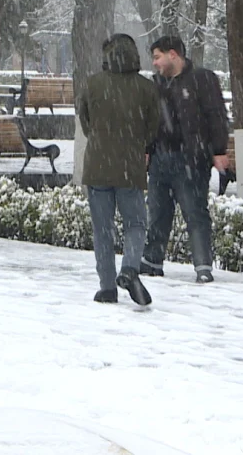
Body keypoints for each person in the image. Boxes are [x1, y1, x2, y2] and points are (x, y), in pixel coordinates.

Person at [139, 36, 229, 283]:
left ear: (173, 54)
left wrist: (219, 150)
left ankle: (202, 266)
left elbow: (217, 115)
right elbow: (150, 121)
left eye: (157, 57)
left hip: (191, 159)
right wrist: (148, 149)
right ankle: (151, 261)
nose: (155, 63)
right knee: (157, 213)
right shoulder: (157, 84)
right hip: (160, 158)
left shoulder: (202, 79)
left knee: (195, 213)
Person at [79, 34, 160, 305]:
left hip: (97, 167)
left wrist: (102, 140)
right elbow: (153, 128)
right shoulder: (146, 88)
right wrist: (136, 144)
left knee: (103, 229)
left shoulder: (92, 85)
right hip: (130, 167)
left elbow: (86, 123)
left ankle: (107, 287)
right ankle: (129, 269)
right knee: (135, 224)